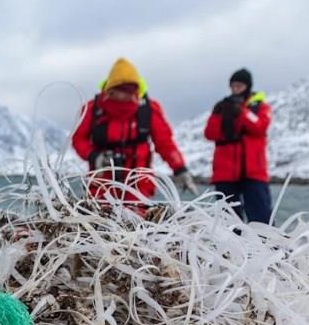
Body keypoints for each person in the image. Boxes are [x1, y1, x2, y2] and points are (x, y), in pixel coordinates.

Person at [71, 57, 193, 204]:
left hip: (138, 186)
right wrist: (94, 156)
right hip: (101, 184)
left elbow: (165, 143)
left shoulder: (148, 110)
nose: (128, 94)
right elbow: (78, 139)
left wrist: (180, 169)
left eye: (132, 89)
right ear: (110, 89)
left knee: (135, 215)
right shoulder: (92, 109)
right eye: (123, 89)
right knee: (99, 216)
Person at [203, 68, 273, 223]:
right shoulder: (222, 107)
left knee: (261, 219)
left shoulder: (260, 107)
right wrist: (219, 115)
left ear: (247, 86)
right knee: (228, 222)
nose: (235, 89)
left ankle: (266, 240)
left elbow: (260, 127)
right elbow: (209, 133)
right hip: (225, 173)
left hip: (253, 172)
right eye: (233, 86)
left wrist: (241, 113)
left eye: (239, 86)